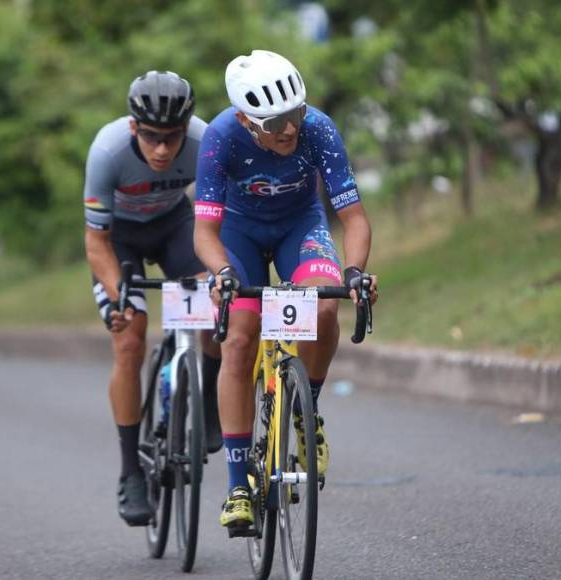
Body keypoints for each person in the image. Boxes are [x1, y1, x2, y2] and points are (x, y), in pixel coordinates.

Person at [193, 50, 379, 533]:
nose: (290, 129)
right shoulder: (220, 137)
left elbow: (354, 219)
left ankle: (306, 411)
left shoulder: (318, 127)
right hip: (239, 234)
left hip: (300, 226)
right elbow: (205, 233)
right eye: (275, 121)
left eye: (295, 113)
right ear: (245, 120)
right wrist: (220, 273)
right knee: (239, 336)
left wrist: (355, 272)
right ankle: (238, 486)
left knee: (322, 306)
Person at [83, 71, 223, 527]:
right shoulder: (107, 152)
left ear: (187, 129)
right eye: (151, 138)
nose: (162, 150)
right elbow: (96, 243)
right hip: (118, 240)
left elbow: (218, 218)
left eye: (172, 138)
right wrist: (118, 297)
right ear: (132, 128)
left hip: (174, 227)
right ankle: (130, 474)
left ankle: (208, 402)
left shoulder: (207, 141)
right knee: (130, 339)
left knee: (220, 305)